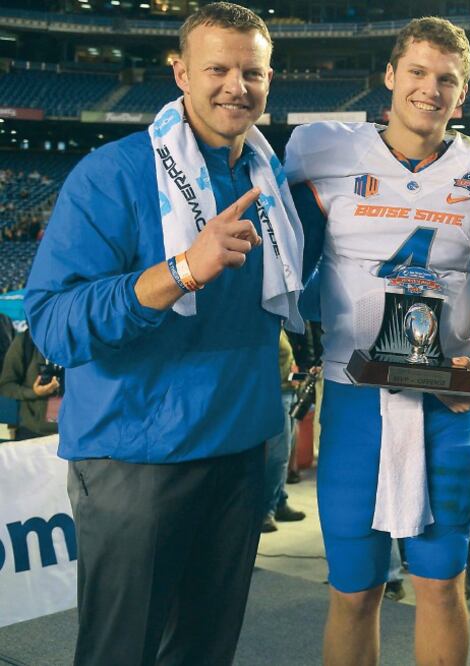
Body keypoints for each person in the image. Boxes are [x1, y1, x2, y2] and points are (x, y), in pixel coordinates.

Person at [24, 4, 303, 665]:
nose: (237, 86)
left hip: (239, 454)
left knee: (205, 652)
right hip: (135, 460)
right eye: (217, 69)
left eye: (252, 71)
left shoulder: (273, 182)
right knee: (122, 653)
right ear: (179, 72)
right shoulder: (113, 174)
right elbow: (55, 325)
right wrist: (180, 271)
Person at [284, 17, 470, 666]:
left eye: (446, 79)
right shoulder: (323, 150)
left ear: (462, 93)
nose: (429, 89)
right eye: (416, 72)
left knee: (440, 587)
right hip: (354, 400)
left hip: (445, 404)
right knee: (353, 592)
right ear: (389, 76)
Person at [261, 328, 307, 532]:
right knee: (277, 458)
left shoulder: (281, 327)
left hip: (288, 393)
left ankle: (279, 502)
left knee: (284, 455)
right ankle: (266, 512)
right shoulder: (267, 327)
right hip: (276, 395)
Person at [0, 328, 59, 439]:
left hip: (75, 431)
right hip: (33, 434)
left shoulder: (82, 340)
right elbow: (6, 386)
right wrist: (34, 392)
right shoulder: (25, 341)